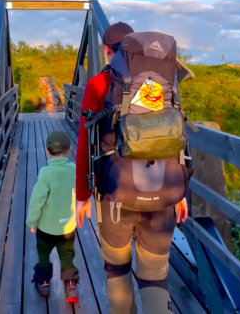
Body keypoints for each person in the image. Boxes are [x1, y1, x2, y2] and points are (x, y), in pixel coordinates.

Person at [75, 22, 189, 314]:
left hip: (117, 194)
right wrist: (181, 191)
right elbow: (175, 133)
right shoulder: (163, 81)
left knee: (117, 269)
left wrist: (83, 196)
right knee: (155, 276)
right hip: (163, 189)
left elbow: (85, 142)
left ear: (107, 50)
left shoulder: (99, 83)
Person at [26, 129, 80, 303]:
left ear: (47, 151)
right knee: (67, 254)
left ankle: (44, 283)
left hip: (46, 227)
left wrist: (32, 220)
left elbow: (37, 200)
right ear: (69, 149)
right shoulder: (74, 170)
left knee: (43, 253)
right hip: (67, 227)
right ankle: (71, 285)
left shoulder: (46, 173)